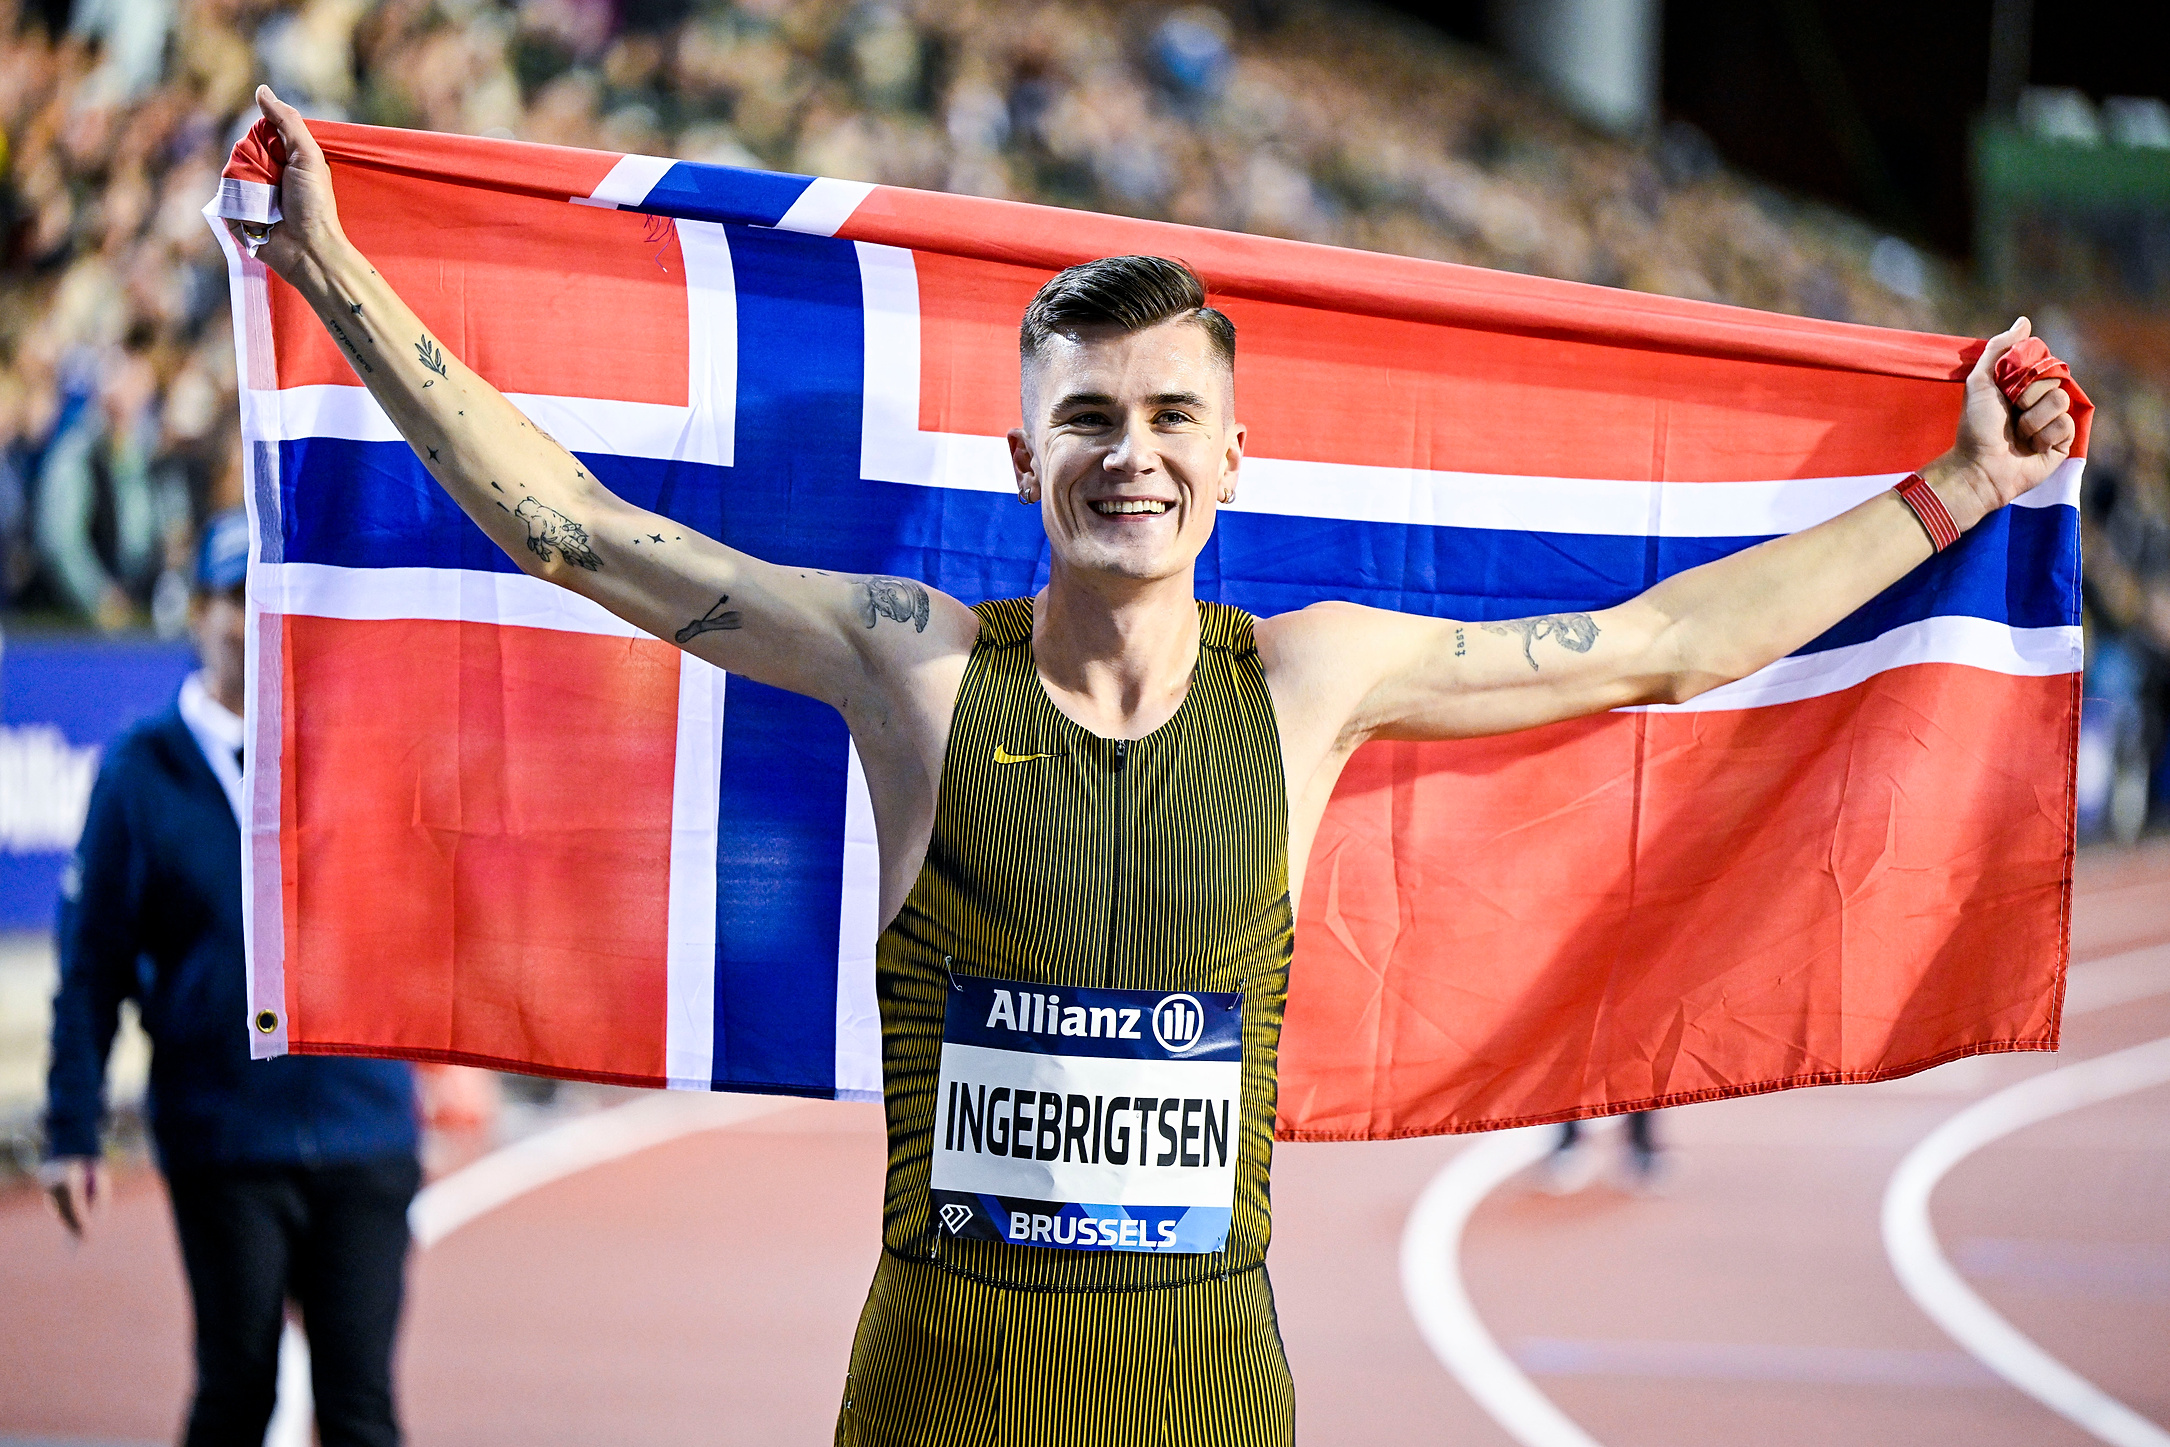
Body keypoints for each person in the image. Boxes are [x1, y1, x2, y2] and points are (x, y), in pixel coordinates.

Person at [233, 85, 2076, 1446]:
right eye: (1089, 419)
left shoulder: (1312, 682)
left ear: (1236, 457)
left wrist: (1964, 489)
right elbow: (572, 530)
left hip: (1208, 1400)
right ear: (1018, 457)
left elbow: (1676, 639)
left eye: (1171, 416)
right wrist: (328, 264)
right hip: (939, 1398)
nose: (1134, 455)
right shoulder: (914, 668)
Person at [42, 507, 421, 1447]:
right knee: (238, 1382)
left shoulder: (359, 750)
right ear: (196, 612)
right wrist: (71, 1124)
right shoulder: (141, 772)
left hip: (364, 1126)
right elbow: (90, 965)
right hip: (223, 1135)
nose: (238, 616)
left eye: (259, 594)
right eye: (223, 593)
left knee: (362, 1407)